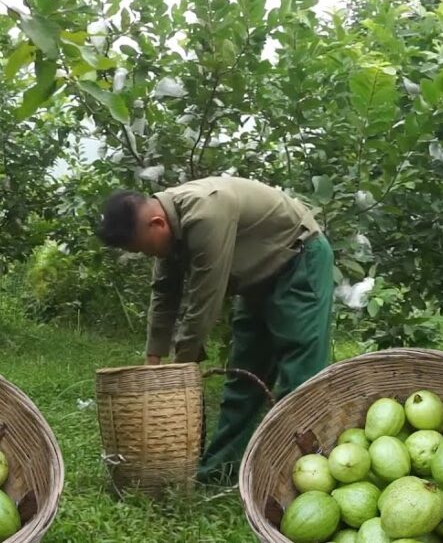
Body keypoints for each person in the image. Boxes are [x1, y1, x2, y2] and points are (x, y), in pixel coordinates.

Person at [96, 175, 335, 486]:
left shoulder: (206, 212)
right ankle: (218, 472)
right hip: (255, 281)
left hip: (298, 261)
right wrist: (152, 361)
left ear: (157, 224)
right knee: (243, 379)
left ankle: (299, 473)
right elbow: (164, 292)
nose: (148, 256)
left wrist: (181, 370)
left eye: (144, 249)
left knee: (299, 375)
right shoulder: (168, 224)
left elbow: (203, 301)